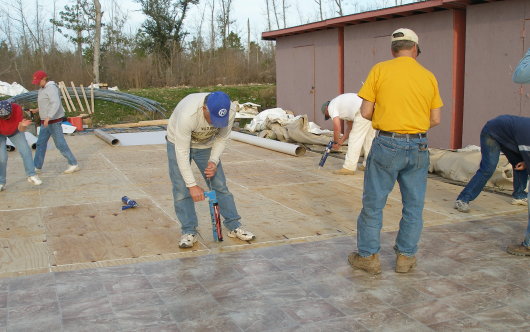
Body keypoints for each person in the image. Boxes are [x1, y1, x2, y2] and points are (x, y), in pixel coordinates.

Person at [349, 28, 443, 274]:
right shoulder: (428, 76)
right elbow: (435, 118)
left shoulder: (380, 70)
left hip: (387, 144)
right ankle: (405, 257)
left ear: (393, 50)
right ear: (415, 49)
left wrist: (391, 119)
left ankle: (368, 257)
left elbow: (366, 113)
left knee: (374, 203)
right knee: (413, 205)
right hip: (419, 145)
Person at [166, 91, 255, 248]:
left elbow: (222, 138)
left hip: (206, 144)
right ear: (204, 108)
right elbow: (182, 152)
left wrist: (213, 161)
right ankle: (189, 231)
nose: (215, 124)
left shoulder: (231, 110)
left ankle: (234, 226)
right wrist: (192, 185)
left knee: (219, 184)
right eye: (213, 118)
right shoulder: (189, 115)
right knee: (181, 188)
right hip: (177, 143)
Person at [454, 120, 528, 213]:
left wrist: (525, 163)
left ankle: (519, 196)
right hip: (492, 133)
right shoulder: (527, 135)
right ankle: (463, 199)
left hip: (508, 137)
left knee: (519, 163)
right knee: (488, 168)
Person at [29, 70, 79, 174]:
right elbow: (46, 103)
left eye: (39, 81)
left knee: (60, 144)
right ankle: (37, 166)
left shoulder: (51, 88)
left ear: (44, 79)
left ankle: (73, 163)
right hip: (45, 122)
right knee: (40, 144)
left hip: (53, 121)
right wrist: (37, 110)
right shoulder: (42, 89)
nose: (37, 83)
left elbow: (55, 103)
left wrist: (49, 117)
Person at [321, 93, 375, 175]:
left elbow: (337, 128)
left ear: (326, 109)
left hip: (362, 109)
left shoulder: (332, 106)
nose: (329, 117)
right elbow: (349, 128)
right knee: (369, 139)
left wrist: (335, 142)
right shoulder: (343, 106)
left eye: (327, 115)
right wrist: (340, 142)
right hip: (370, 107)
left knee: (355, 139)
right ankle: (368, 165)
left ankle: (348, 168)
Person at [0, 100, 42, 191]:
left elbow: (21, 129)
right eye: (3, 117)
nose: (5, 118)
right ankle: (1, 182)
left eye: (7, 116)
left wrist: (23, 125)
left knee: (25, 151)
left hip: (15, 131)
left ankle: (31, 175)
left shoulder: (17, 109)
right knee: (2, 157)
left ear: (11, 111)